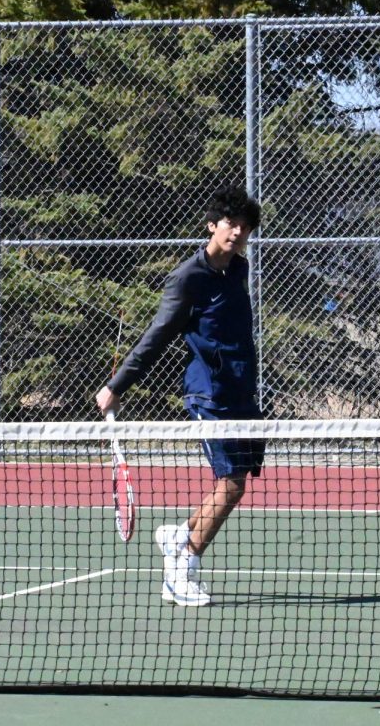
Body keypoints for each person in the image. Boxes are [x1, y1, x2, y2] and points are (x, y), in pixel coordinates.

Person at [95, 184, 264, 607]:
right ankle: (182, 568)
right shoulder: (187, 278)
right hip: (209, 395)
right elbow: (157, 336)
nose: (238, 231)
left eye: (245, 226)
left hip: (243, 392)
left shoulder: (239, 269)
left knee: (238, 481)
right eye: (230, 224)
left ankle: (178, 534)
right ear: (212, 226)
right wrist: (116, 386)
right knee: (231, 485)